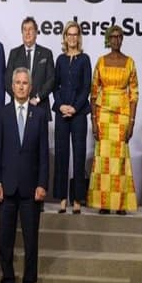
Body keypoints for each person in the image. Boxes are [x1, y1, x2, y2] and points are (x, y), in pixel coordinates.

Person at [0, 69, 49, 283]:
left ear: (30, 86)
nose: (21, 86)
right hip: (6, 189)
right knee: (5, 241)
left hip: (31, 190)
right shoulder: (2, 114)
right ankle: (7, 281)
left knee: (31, 241)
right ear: (12, 86)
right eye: (17, 82)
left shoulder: (40, 115)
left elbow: (43, 154)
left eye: (25, 83)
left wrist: (42, 184)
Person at [89, 25, 138, 214]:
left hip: (122, 115)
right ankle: (104, 203)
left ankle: (120, 204)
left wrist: (132, 122)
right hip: (103, 115)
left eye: (119, 37)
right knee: (104, 159)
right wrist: (93, 120)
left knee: (121, 159)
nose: (116, 40)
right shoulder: (101, 62)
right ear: (108, 39)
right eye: (113, 37)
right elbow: (93, 94)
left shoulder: (130, 62)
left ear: (122, 39)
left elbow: (134, 94)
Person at [51, 22, 91, 213]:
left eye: (76, 34)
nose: (73, 38)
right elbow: (55, 86)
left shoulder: (85, 59)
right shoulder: (60, 59)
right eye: (69, 34)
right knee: (61, 155)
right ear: (65, 37)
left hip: (79, 113)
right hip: (61, 113)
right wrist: (61, 106)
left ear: (79, 37)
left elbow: (86, 88)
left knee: (79, 155)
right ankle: (62, 198)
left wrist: (74, 108)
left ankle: (77, 198)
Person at [7, 17, 55, 119]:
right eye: (24, 29)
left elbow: (51, 80)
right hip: (18, 108)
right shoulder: (14, 53)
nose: (27, 33)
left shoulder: (46, 54)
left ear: (36, 32)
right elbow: (7, 80)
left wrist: (37, 99)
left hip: (40, 106)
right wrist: (20, 99)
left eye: (30, 29)